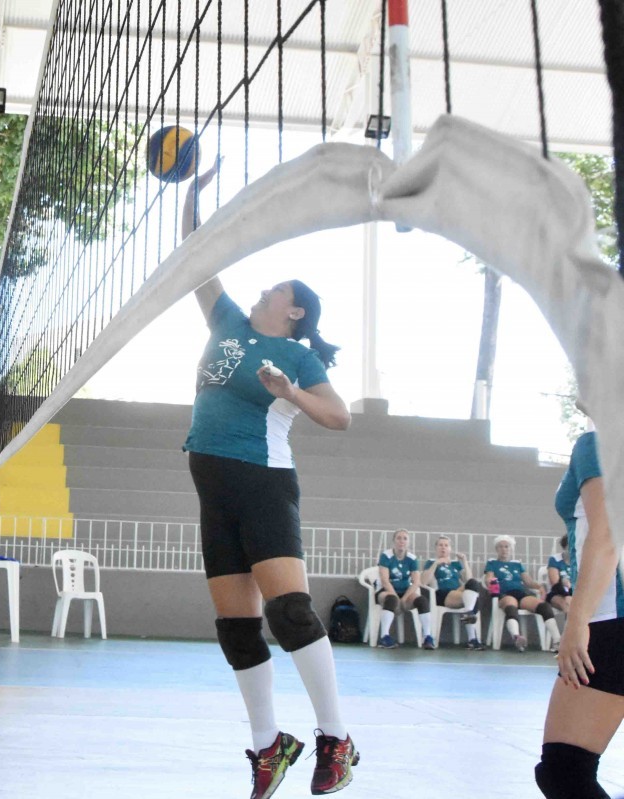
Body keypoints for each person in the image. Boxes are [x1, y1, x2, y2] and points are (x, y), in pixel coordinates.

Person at [180, 161, 357, 799]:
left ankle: (336, 736)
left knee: (289, 611)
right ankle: (268, 745)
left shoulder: (297, 356)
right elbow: (195, 260)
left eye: (276, 289)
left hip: (262, 484)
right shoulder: (228, 322)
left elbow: (338, 416)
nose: (263, 291)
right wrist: (193, 201)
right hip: (213, 489)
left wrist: (289, 392)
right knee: (236, 627)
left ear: (296, 310)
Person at [535, 423, 624, 799]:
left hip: (612, 623)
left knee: (565, 771)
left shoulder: (601, 440)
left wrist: (577, 622)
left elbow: (605, 537)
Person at [484, 534, 562, 653]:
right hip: (504, 594)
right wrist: (491, 582)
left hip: (520, 593)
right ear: (496, 549)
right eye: (500, 547)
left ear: (511, 549)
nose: (504, 549)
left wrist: (540, 587)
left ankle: (557, 640)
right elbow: (488, 578)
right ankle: (517, 637)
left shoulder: (517, 564)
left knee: (543, 606)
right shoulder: (492, 563)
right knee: (511, 605)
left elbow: (528, 581)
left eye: (506, 546)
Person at [421, 534, 486, 650]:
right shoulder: (431, 562)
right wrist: (436, 563)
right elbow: (423, 581)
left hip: (457, 593)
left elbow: (468, 579)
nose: (443, 548)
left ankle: (469, 614)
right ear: (436, 548)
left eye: (446, 545)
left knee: (473, 583)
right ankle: (472, 639)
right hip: (442, 594)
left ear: (450, 549)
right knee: (472, 600)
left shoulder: (455, 564)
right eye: (440, 545)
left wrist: (464, 562)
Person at [375, 529, 432, 649]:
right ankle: (384, 636)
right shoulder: (386, 556)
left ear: (408, 542)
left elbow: (416, 582)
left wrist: (404, 599)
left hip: (405, 592)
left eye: (405, 538)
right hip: (387, 591)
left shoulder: (412, 559)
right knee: (391, 599)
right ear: (394, 541)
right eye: (399, 538)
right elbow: (385, 580)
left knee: (422, 600)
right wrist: (396, 597)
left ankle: (427, 636)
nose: (402, 541)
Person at [546, 534, 573, 614]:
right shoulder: (555, 559)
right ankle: (570, 626)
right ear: (565, 547)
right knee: (567, 604)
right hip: (557, 593)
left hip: (574, 593)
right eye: (570, 546)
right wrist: (567, 594)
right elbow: (555, 584)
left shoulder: (579, 561)